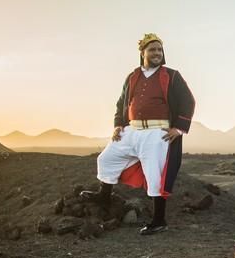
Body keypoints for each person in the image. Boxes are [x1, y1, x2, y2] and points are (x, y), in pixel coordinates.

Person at [81, 33, 195, 235]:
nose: (157, 53)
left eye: (160, 50)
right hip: (131, 129)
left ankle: (159, 220)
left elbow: (188, 101)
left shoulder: (172, 75)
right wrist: (118, 125)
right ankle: (104, 195)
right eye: (152, 50)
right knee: (107, 158)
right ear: (143, 53)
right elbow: (121, 103)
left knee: (155, 176)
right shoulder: (133, 76)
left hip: (156, 133)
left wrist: (178, 128)